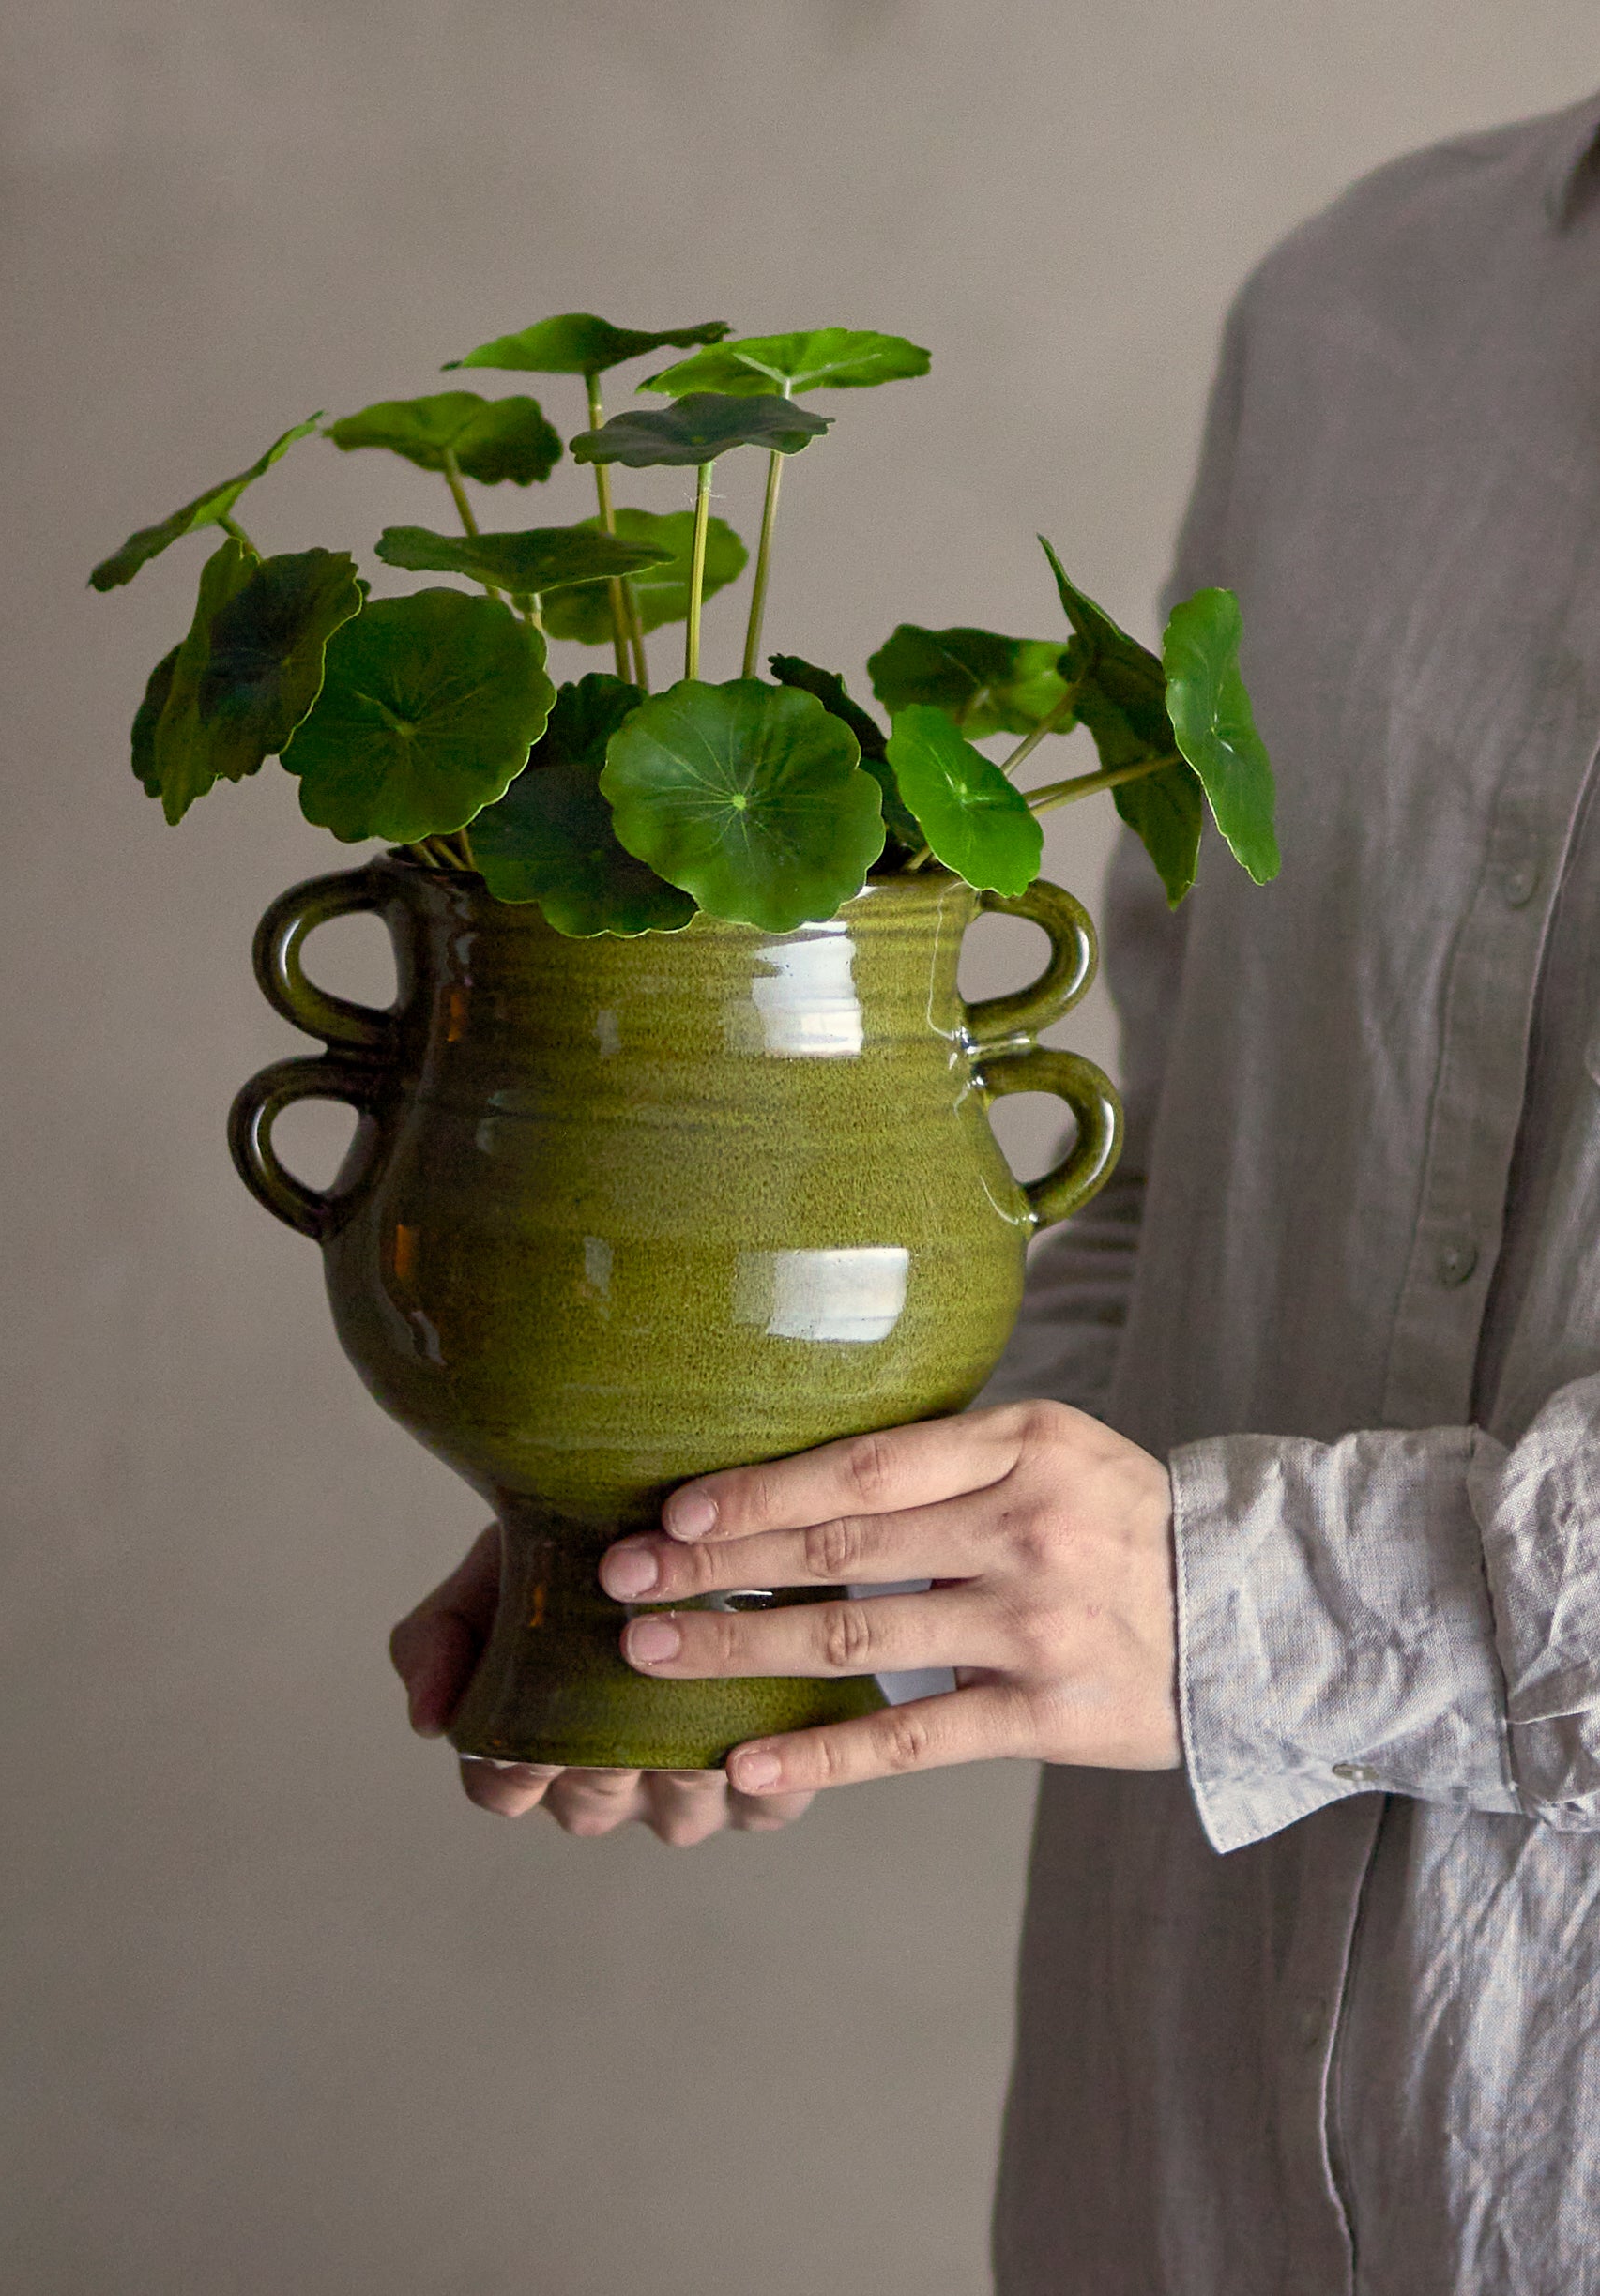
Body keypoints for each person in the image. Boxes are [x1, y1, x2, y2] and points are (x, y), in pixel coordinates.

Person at [389, 88, 1600, 2293]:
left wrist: (1234, 1606)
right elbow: (1191, 1178)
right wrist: (767, 1527)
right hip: (1175, 2158)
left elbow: (1190, 1584)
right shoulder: (1364, 308)